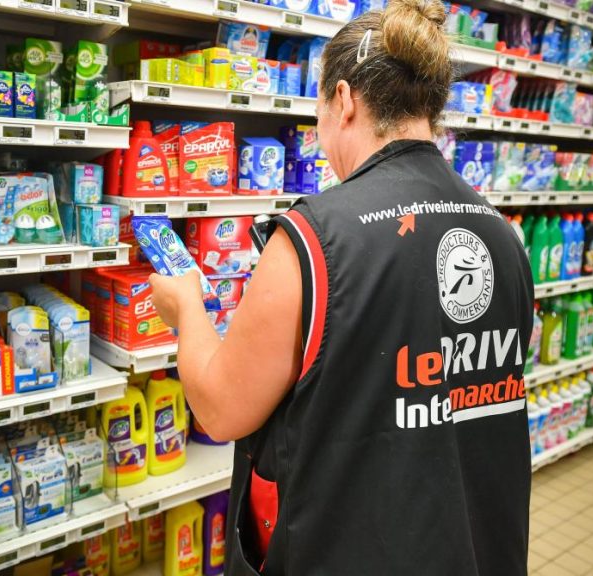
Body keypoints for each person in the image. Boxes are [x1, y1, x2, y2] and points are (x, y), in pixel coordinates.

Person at [148, 0, 533, 573]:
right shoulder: (501, 234)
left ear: (345, 100)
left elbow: (223, 412)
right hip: (476, 550)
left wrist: (186, 306)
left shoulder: (313, 236)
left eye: (319, 109)